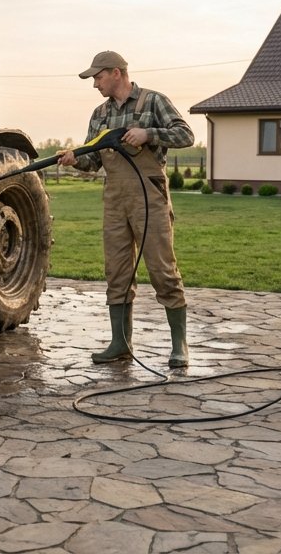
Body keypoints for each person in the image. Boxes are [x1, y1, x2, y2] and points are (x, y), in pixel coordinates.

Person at [57, 51, 195, 367]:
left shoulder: (153, 101)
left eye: (98, 77)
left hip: (149, 197)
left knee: (162, 270)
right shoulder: (99, 114)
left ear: (116, 73)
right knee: (116, 273)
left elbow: (186, 134)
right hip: (114, 199)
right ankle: (120, 344)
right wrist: (75, 158)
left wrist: (149, 134)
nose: (95, 84)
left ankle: (180, 346)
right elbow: (92, 161)